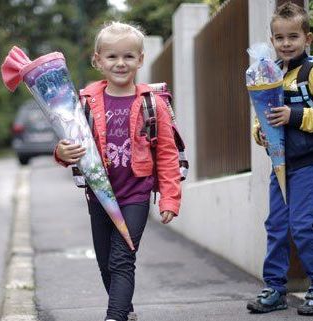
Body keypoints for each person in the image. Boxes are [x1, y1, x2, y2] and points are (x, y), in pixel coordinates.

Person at [54, 21, 181, 321]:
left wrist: (170, 198)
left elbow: (167, 153)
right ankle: (126, 308)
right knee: (104, 261)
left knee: (123, 258)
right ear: (97, 60)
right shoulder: (84, 103)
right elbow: (68, 144)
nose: (120, 63)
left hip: (135, 193)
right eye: (112, 57)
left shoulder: (152, 103)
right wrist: (61, 153)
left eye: (128, 56)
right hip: (99, 193)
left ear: (140, 59)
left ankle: (115, 316)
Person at [246, 2, 313, 316]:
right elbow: (261, 116)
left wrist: (294, 114)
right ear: (271, 41)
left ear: (307, 38)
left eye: (293, 37)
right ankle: (275, 288)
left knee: (302, 226)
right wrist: (259, 133)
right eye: (279, 38)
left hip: (309, 162)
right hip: (280, 164)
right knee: (276, 226)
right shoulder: (269, 73)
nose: (286, 43)